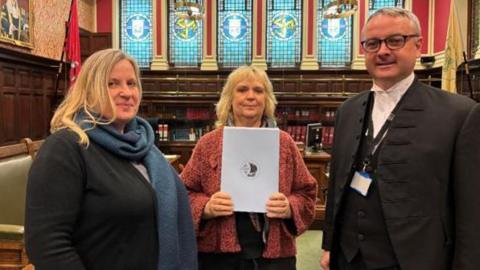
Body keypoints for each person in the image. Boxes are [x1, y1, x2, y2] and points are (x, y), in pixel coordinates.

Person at [320, 7, 478, 270]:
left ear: (418, 46)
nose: (382, 51)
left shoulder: (460, 114)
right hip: (348, 258)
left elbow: (472, 213)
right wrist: (329, 245)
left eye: (395, 40)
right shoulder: (347, 110)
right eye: (373, 43)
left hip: (415, 259)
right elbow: (337, 185)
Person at [25, 49, 197, 270]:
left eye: (131, 83)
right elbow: (47, 244)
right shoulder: (67, 147)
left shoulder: (145, 149)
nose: (126, 92)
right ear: (89, 90)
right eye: (112, 84)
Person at [180, 65, 317, 270]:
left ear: (267, 100)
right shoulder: (208, 144)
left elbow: (307, 193)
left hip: (275, 258)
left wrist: (289, 207)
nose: (251, 96)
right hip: (218, 258)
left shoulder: (285, 144)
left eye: (258, 90)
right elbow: (183, 192)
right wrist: (206, 207)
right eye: (242, 89)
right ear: (229, 98)